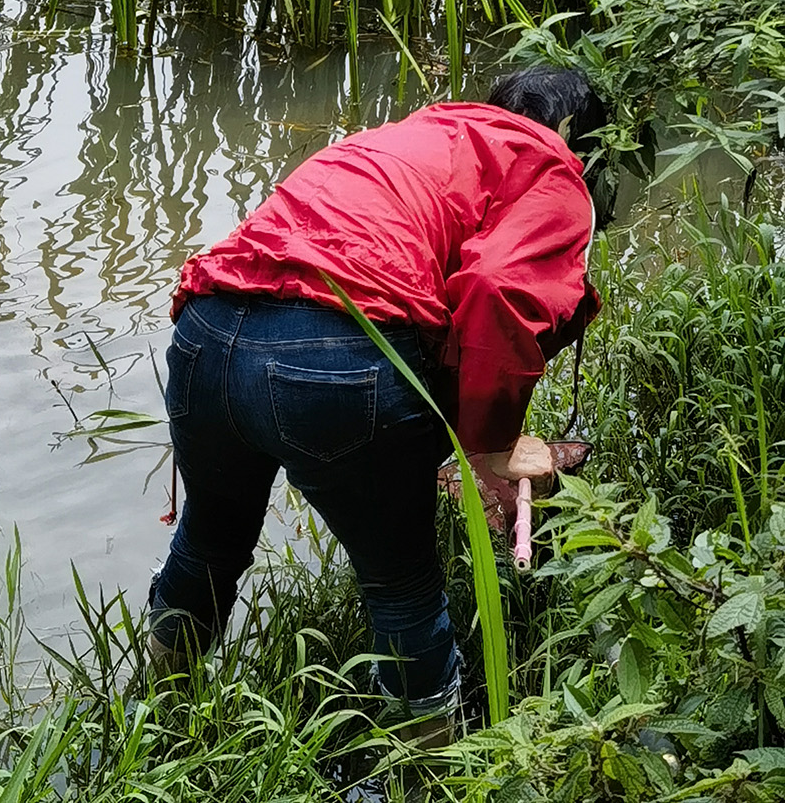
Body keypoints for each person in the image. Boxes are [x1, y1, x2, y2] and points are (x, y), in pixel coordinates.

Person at [148, 64, 607, 730]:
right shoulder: (551, 167)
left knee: (209, 540)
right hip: (332, 351)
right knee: (402, 590)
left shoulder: (429, 130)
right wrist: (492, 444)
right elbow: (494, 292)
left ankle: (156, 716)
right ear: (575, 136)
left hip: (205, 327)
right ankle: (426, 772)